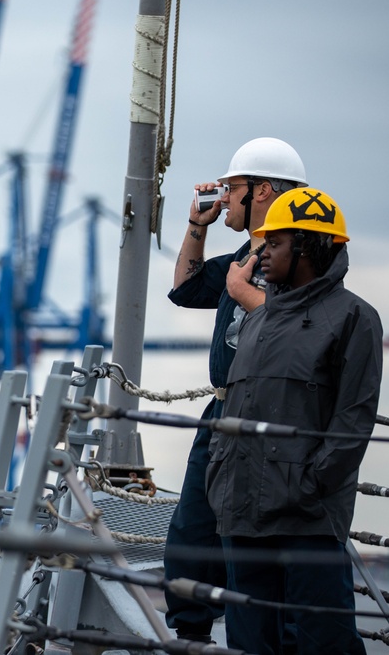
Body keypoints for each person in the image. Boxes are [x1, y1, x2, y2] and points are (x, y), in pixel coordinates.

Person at [206, 187, 383, 654]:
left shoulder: (355, 318)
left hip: (308, 519)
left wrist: (309, 485)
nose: (261, 253)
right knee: (249, 642)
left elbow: (353, 420)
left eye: (275, 243)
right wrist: (220, 477)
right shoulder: (257, 320)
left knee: (325, 641)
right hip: (242, 511)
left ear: (306, 246)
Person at [164, 137, 307, 643]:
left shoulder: (295, 259)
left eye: (233, 187)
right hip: (221, 412)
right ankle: (190, 637)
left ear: (262, 191)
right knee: (192, 533)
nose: (223, 197)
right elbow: (185, 289)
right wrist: (196, 226)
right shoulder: (246, 257)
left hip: (262, 420)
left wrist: (246, 293)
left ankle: (254, 643)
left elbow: (300, 326)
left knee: (244, 546)